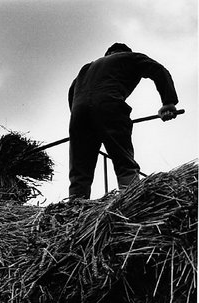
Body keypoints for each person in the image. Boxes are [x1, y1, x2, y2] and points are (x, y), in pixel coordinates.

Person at [68, 43, 179, 199]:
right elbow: (158, 69)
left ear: (107, 54)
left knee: (79, 172)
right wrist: (169, 102)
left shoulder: (86, 68)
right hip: (109, 106)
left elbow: (72, 93)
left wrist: (82, 126)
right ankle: (132, 202)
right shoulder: (129, 57)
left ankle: (74, 210)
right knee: (123, 161)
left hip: (78, 113)